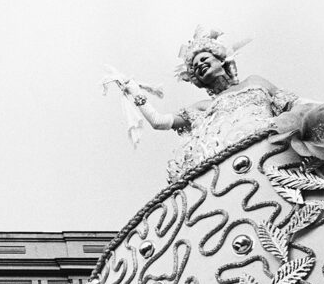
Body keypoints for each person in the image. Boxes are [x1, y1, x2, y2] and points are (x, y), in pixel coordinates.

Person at [113, 27, 299, 182]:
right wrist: (134, 90)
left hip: (274, 154)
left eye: (204, 59)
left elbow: (294, 104)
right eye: (194, 66)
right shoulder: (202, 107)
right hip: (233, 169)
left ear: (220, 60)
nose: (199, 65)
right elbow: (158, 121)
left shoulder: (254, 82)